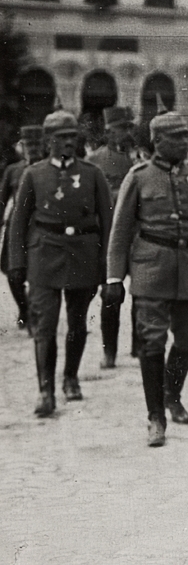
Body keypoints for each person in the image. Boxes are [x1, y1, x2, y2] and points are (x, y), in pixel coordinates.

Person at [105, 112, 188, 446]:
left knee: (187, 337)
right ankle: (155, 416)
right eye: (178, 138)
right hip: (151, 268)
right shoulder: (139, 177)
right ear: (158, 142)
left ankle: (172, 394)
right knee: (152, 340)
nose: (186, 143)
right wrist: (115, 278)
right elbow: (119, 234)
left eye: (187, 136)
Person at [6, 111, 114, 416]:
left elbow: (108, 222)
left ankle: (70, 377)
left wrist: (108, 267)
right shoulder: (34, 174)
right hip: (44, 254)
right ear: (49, 141)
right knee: (45, 324)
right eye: (62, 138)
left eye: (72, 137)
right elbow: (18, 222)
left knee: (78, 321)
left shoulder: (92, 174)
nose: (69, 143)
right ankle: (45, 390)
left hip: (83, 254)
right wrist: (17, 262)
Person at [86, 106, 137, 366]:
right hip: (108, 237)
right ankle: (110, 351)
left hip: (138, 236)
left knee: (142, 293)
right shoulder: (94, 160)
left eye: (129, 127)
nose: (127, 133)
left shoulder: (139, 160)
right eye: (121, 128)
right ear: (108, 131)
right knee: (111, 293)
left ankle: (140, 345)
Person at [2, 125, 45, 333]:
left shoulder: (50, 169)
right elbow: (2, 201)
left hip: (39, 227)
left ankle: (33, 315)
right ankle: (23, 308)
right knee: (13, 274)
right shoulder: (13, 170)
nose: (33, 148)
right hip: (16, 229)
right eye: (29, 144)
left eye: (37, 144)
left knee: (37, 273)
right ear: (22, 147)